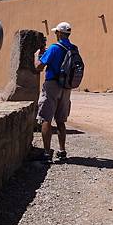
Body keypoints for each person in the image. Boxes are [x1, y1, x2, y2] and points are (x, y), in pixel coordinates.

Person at [34, 21, 78, 163]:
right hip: (66, 87)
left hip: (52, 84)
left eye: (55, 32)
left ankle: (47, 153)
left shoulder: (54, 48)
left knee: (46, 119)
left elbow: (39, 67)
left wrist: (36, 56)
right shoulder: (74, 48)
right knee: (60, 120)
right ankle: (62, 150)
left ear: (59, 33)